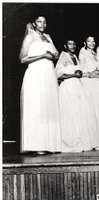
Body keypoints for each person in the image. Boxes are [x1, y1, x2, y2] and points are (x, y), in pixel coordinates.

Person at [19, 15, 61, 154]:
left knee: (49, 107)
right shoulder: (30, 37)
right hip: (36, 75)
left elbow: (55, 54)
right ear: (33, 23)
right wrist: (43, 55)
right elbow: (23, 59)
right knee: (38, 108)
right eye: (39, 21)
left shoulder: (48, 37)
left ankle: (50, 144)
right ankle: (37, 145)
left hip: (48, 74)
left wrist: (52, 56)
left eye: (44, 21)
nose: (42, 24)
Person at [56, 38, 99, 152]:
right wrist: (73, 75)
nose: (73, 46)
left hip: (77, 88)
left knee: (79, 115)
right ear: (65, 46)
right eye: (70, 44)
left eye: (74, 43)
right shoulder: (63, 57)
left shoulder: (75, 57)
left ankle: (79, 143)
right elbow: (58, 75)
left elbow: (79, 72)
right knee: (69, 115)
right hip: (67, 89)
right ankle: (68, 144)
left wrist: (84, 74)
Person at [78, 35, 99, 149]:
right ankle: (92, 142)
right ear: (85, 43)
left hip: (96, 82)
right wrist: (91, 74)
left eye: (93, 41)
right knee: (91, 112)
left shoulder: (95, 54)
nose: (91, 43)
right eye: (89, 41)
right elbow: (82, 69)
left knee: (98, 112)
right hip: (88, 82)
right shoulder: (82, 53)